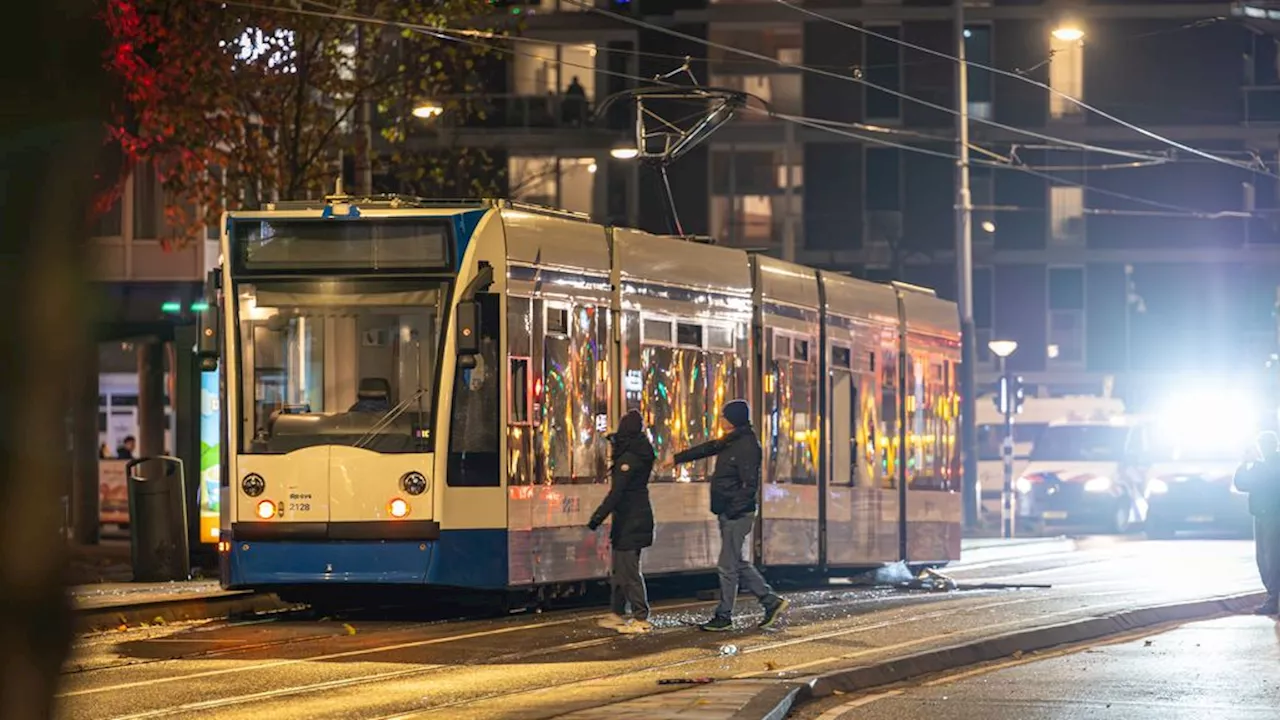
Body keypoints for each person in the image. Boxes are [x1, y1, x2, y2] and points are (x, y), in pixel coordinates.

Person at [670, 399, 789, 631]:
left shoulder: (746, 445)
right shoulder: (732, 441)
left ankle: (724, 616)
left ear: (733, 419)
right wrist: (677, 459)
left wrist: (734, 509)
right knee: (736, 561)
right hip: (729, 511)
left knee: (727, 566)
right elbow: (708, 448)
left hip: (738, 513)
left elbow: (749, 484)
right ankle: (770, 601)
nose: (721, 420)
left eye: (724, 416)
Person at [588, 409, 656, 634]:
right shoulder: (637, 452)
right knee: (619, 570)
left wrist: (597, 517)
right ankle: (616, 613)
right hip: (631, 518)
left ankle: (640, 616)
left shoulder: (628, 458)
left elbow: (617, 493)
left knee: (629, 571)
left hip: (631, 520)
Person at [1233, 431, 1280, 615]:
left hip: (1271, 516)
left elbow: (1247, 481)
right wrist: (1246, 463)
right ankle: (1272, 596)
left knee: (1270, 558)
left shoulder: (1269, 465)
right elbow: (1241, 484)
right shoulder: (1263, 466)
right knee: (1266, 557)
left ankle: (1272, 599)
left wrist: (1249, 463)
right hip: (1262, 515)